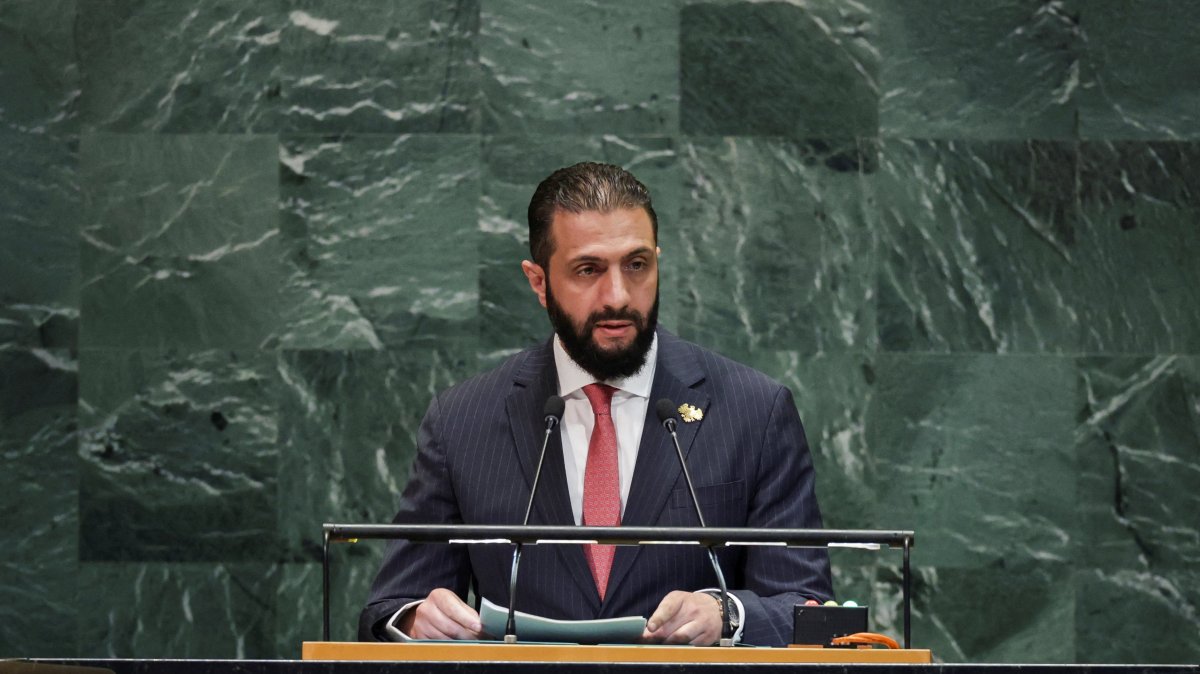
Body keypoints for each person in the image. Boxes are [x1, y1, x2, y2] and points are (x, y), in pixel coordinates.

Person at [359, 162, 832, 647]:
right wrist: (417, 620)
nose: (618, 296)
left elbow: (806, 607)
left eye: (637, 265)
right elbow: (393, 607)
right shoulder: (463, 421)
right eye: (588, 270)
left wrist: (726, 613)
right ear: (538, 282)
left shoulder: (754, 411)